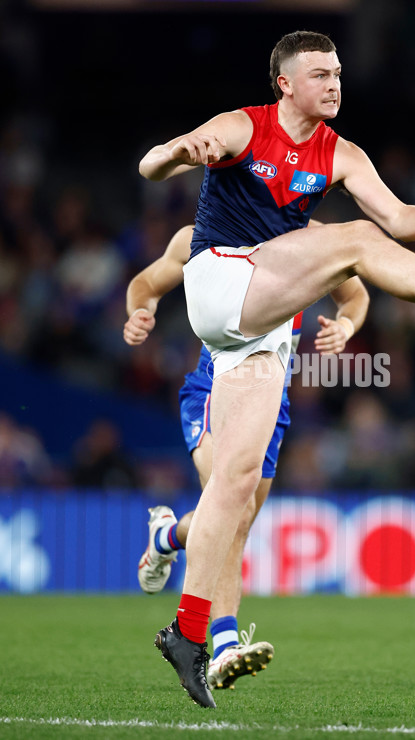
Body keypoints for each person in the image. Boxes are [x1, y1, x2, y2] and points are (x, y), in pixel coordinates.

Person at [137, 30, 415, 707]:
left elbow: (399, 222)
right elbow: (149, 166)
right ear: (284, 83)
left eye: (339, 72)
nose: (334, 83)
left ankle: (190, 633)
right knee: (350, 241)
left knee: (238, 489)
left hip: (257, 337)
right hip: (220, 282)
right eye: (319, 74)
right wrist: (177, 152)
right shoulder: (240, 127)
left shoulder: (343, 154)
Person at [123, 222, 369, 691]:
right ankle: (224, 643)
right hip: (214, 387)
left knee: (239, 514)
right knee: (233, 510)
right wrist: (140, 311)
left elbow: (355, 296)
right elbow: (147, 283)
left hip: (270, 400)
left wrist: (346, 326)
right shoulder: (205, 233)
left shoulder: (317, 238)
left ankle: (168, 536)